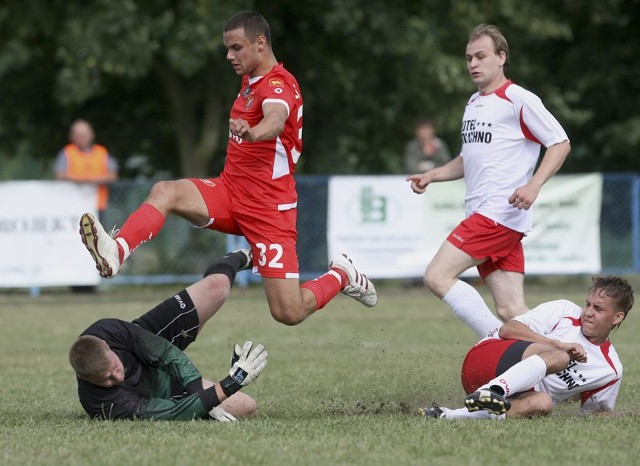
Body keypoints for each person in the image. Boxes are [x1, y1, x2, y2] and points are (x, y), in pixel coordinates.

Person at [78, 10, 377, 325]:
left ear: (260, 43)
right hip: (230, 192)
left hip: (268, 210)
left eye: (237, 47)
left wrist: (255, 131)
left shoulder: (278, 84)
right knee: (165, 191)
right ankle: (117, 250)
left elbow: (275, 119)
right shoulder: (250, 79)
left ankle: (341, 275)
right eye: (228, 48)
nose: (229, 55)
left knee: (288, 312)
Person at [406, 24, 571, 337]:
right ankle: (567, 357)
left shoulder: (518, 99)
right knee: (512, 310)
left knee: (437, 277)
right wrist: (432, 174)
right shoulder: (473, 103)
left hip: (497, 215)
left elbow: (560, 143)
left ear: (501, 57)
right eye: (469, 58)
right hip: (494, 218)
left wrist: (534, 185)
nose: (473, 64)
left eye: (481, 56)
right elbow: (469, 159)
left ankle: (497, 340)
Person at [69, 249, 268, 421]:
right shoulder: (102, 403)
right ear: (82, 377)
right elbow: (171, 412)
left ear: (106, 345)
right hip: (159, 390)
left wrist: (202, 395)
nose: (117, 377)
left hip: (151, 338)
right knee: (247, 407)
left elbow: (165, 353)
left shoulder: (106, 331)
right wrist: (228, 385)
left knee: (217, 286)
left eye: (114, 367)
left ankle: (239, 256)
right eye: (107, 380)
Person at [419, 275, 634, 420]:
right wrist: (556, 344)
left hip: (513, 395)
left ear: (617, 317)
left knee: (544, 403)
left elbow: (595, 415)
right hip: (486, 359)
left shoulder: (611, 370)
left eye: (598, 309)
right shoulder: (565, 310)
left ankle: (450, 415)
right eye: (588, 304)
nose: (588, 312)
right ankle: (492, 391)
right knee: (560, 357)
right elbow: (507, 330)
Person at [55, 119, 119, 219]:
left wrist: (96, 180)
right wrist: (83, 180)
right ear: (72, 137)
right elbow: (59, 175)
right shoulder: (67, 152)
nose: (82, 138)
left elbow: (113, 175)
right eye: (78, 135)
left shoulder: (102, 152)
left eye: (84, 134)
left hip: (98, 205)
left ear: (91, 135)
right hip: (72, 205)